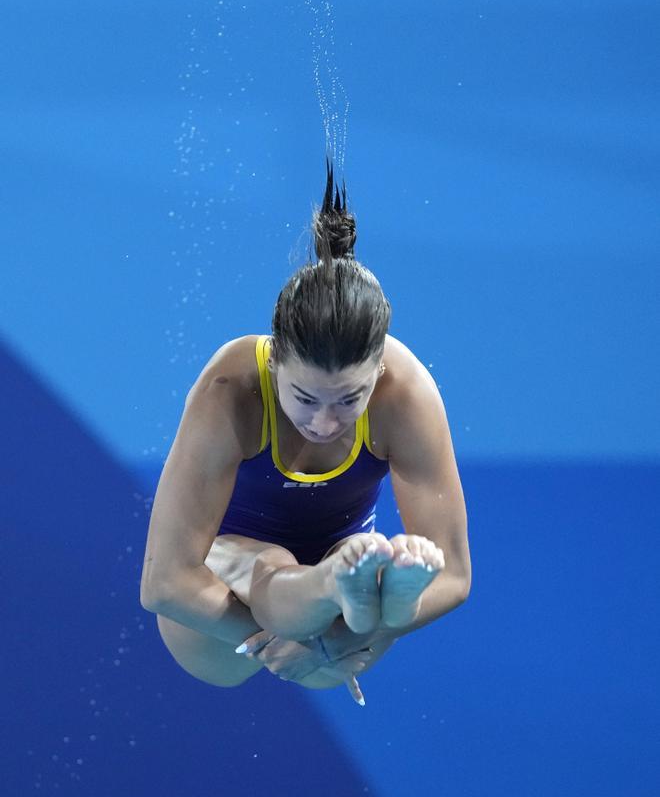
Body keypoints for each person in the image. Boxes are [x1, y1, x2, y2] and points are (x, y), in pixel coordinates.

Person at [140, 158, 471, 705]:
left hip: (345, 589)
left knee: (361, 599)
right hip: (219, 601)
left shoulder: (406, 391)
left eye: (350, 399)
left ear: (378, 373)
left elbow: (454, 575)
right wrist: (300, 644)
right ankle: (350, 587)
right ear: (274, 367)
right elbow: (164, 583)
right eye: (304, 398)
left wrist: (338, 643)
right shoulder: (231, 384)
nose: (324, 422)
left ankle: (357, 587)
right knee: (274, 567)